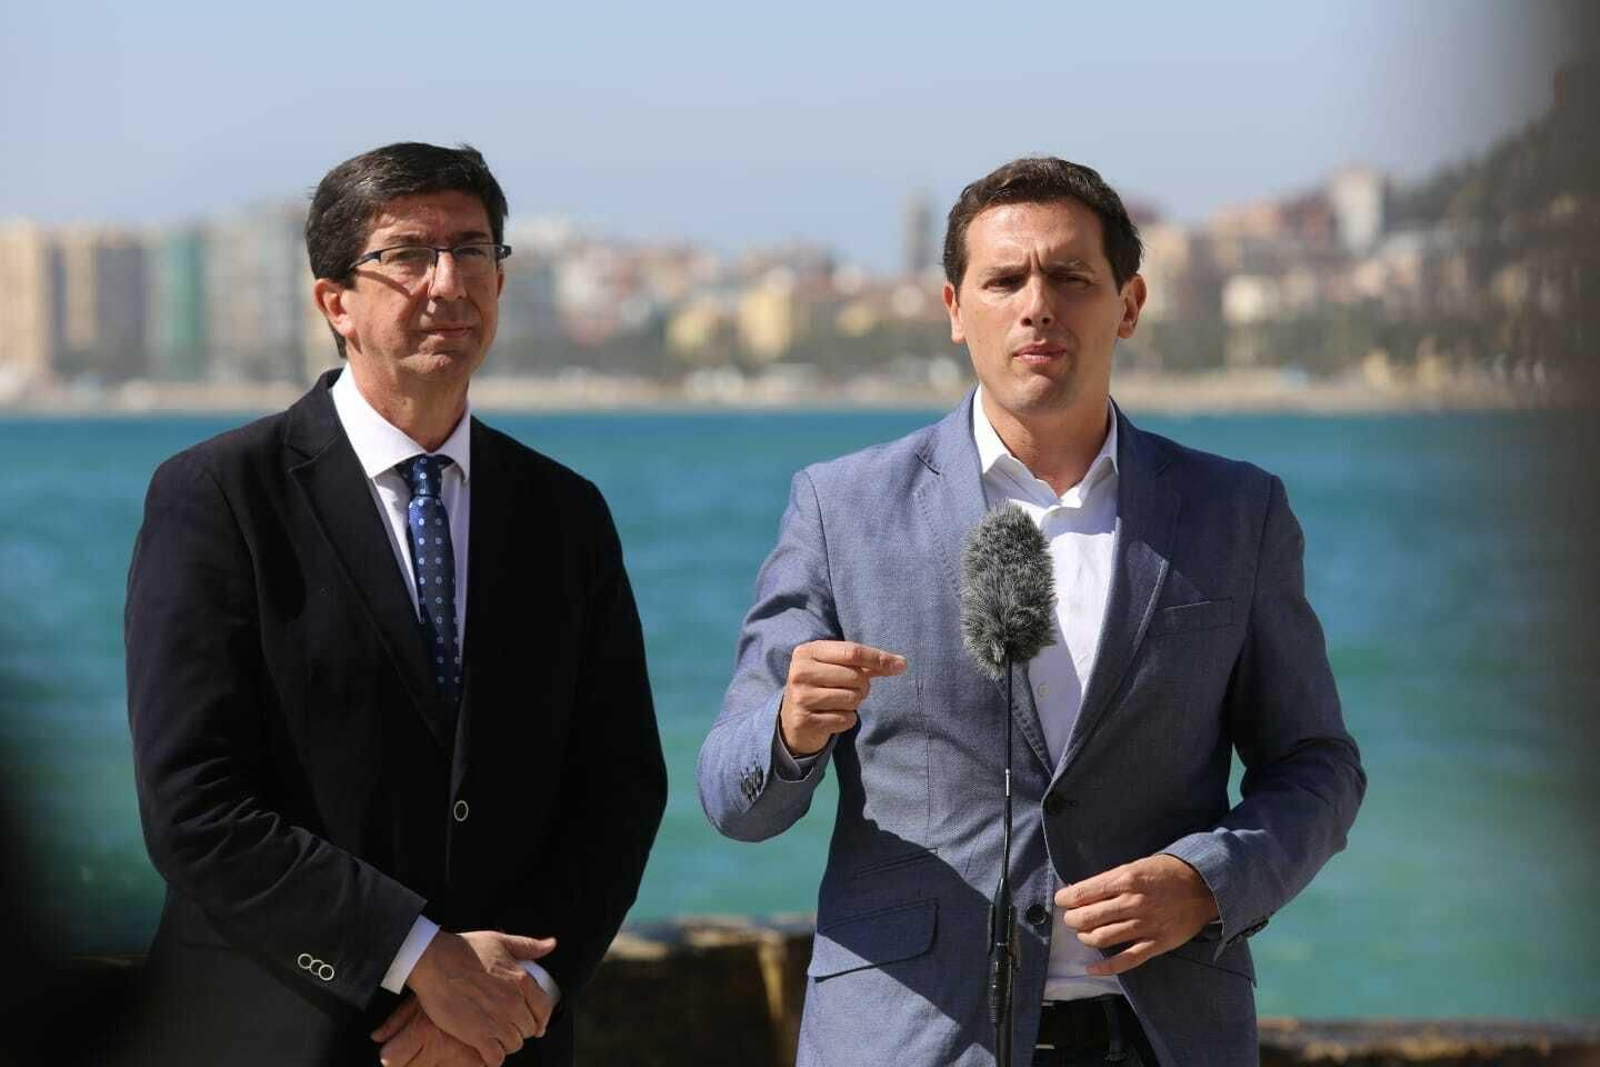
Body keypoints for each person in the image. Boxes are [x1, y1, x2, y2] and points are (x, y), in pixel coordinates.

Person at [697, 156, 1365, 1066]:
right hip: (907, 1039)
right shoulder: (839, 507)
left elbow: (1316, 766)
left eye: (1070, 278)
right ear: (953, 309)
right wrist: (788, 730)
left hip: (1163, 1039)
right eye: (1004, 279)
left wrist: (1207, 880)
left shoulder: (1236, 512)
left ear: (1128, 305)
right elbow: (732, 797)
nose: (1036, 304)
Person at [124, 142, 666, 1067]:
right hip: (276, 1031)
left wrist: (520, 989)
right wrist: (419, 959)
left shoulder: (564, 513)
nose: (447, 282)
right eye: (409, 255)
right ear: (336, 301)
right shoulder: (218, 495)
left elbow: (620, 786)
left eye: (474, 250)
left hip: (505, 1043)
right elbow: (195, 805)